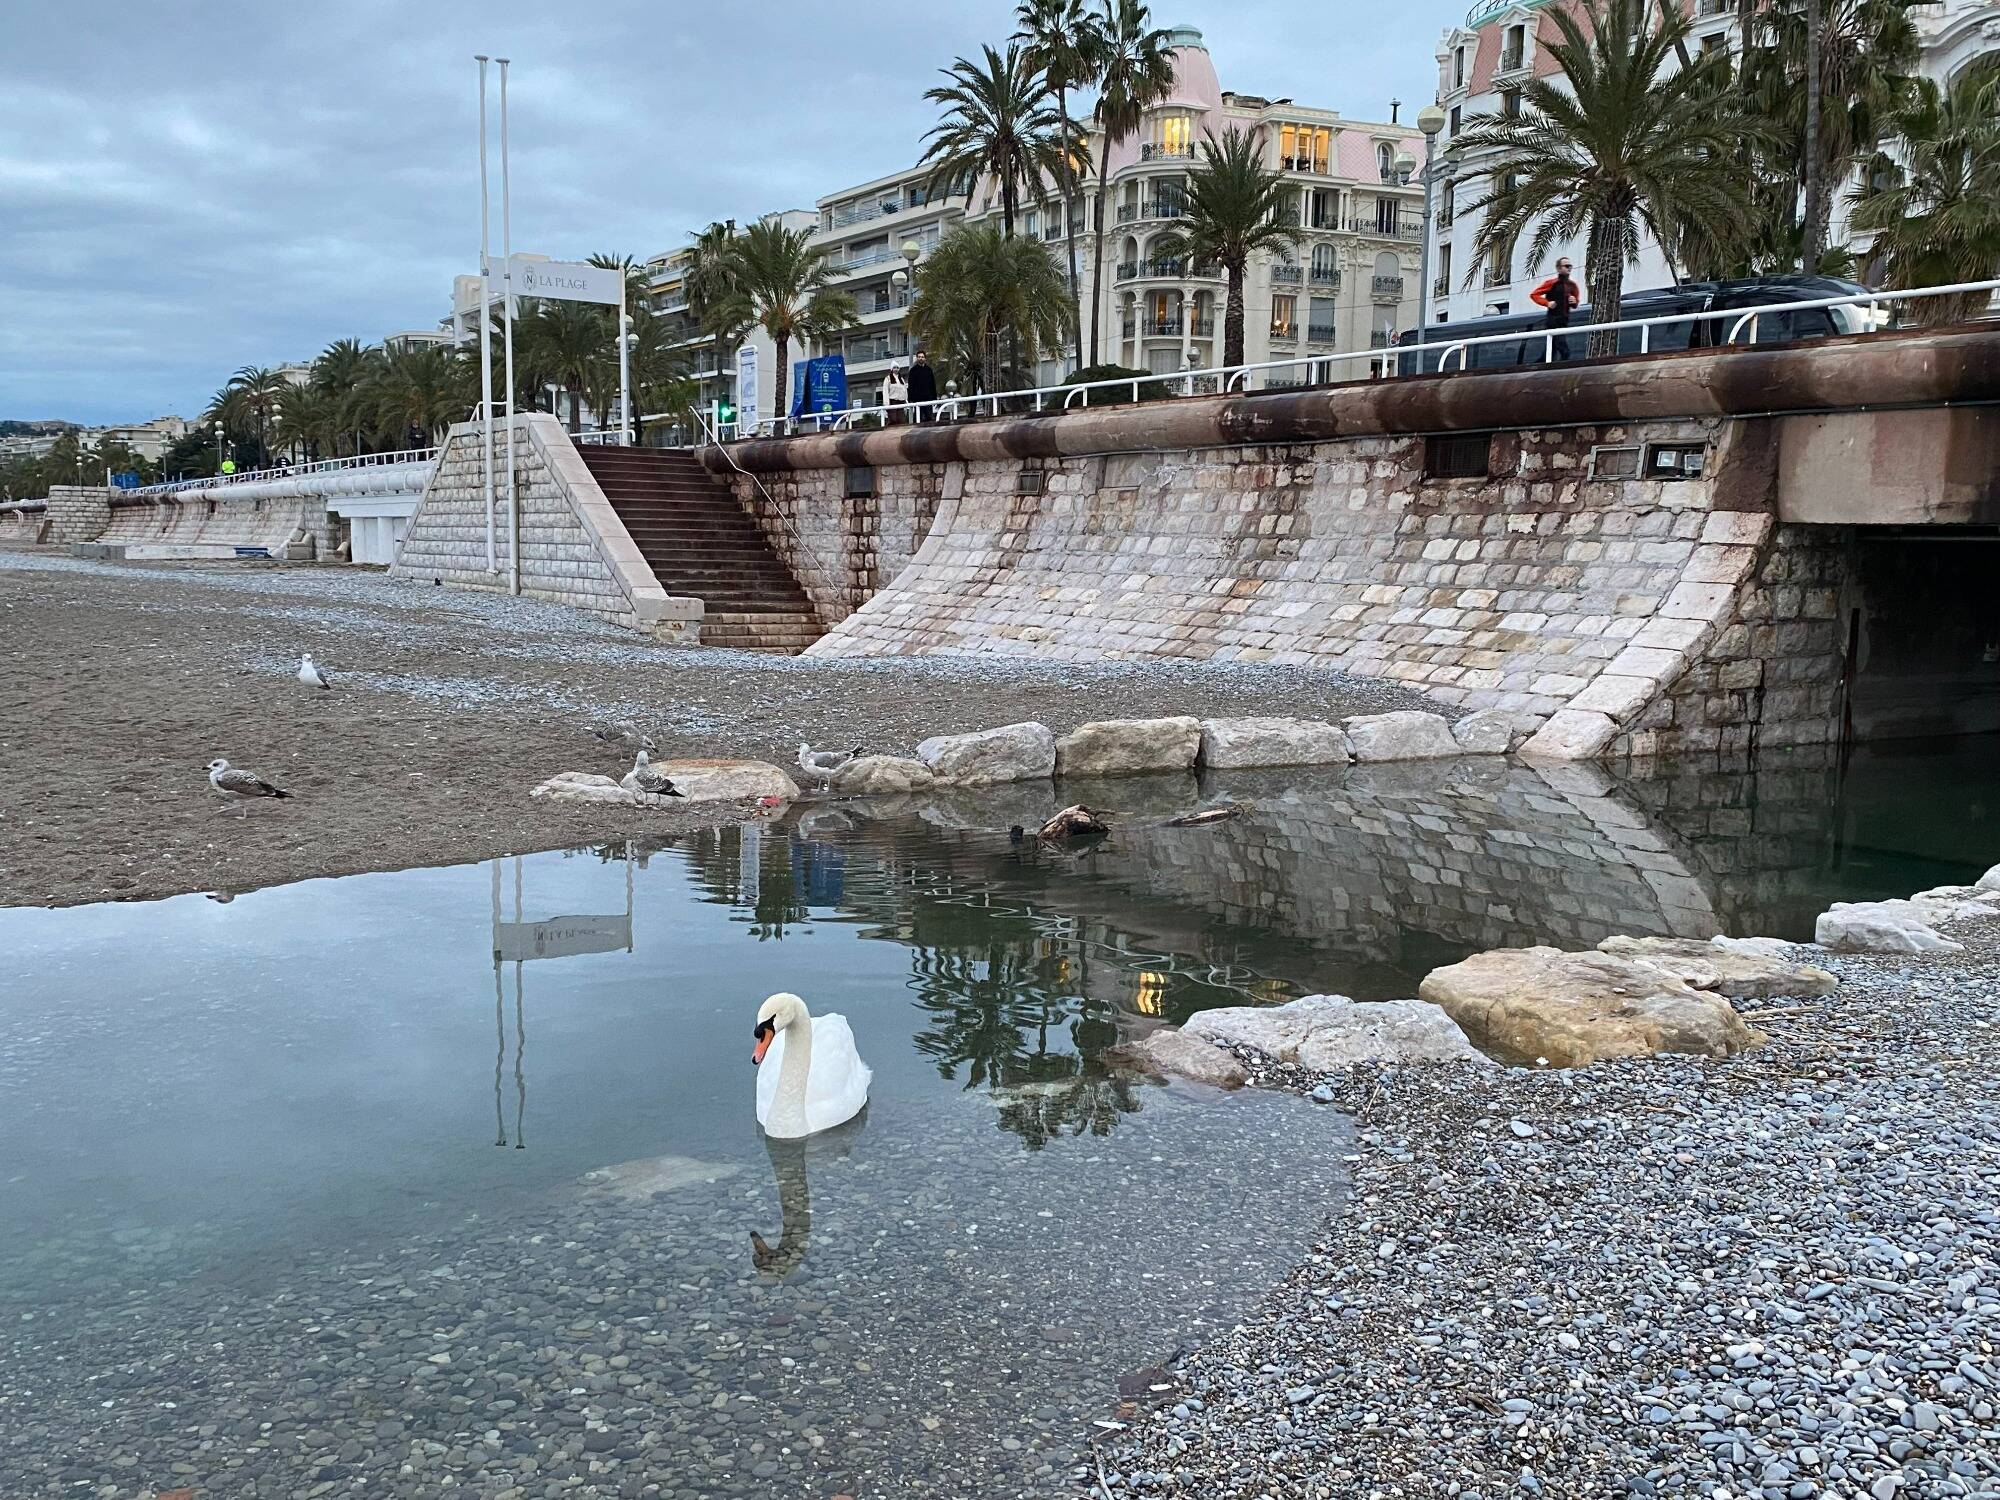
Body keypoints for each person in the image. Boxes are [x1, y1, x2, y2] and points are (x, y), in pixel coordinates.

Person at [1531, 257, 1582, 361]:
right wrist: (1547, 303)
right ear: (1559, 269)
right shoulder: (1552, 283)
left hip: (1564, 320)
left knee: (1551, 351)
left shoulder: (1572, 285)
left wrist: (1574, 301)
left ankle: (1538, 365)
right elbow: (1534, 294)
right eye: (1566, 266)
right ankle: (1562, 368)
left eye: (1570, 266)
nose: (1569, 268)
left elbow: (1575, 302)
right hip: (1553, 320)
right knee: (1564, 351)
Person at [906, 348, 938, 422]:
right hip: (917, 399)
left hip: (928, 398)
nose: (921, 358)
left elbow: (933, 384)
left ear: (925, 358)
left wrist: (934, 397)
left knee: (929, 418)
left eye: (922, 357)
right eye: (919, 357)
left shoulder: (929, 370)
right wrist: (910, 399)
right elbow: (910, 386)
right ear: (917, 358)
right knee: (917, 419)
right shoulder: (913, 371)